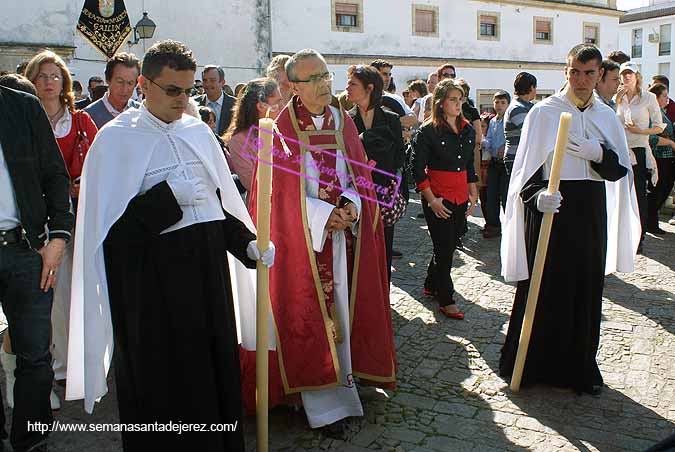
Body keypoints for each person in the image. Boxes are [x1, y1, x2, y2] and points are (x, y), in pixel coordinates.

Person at [67, 40, 274, 452]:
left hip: (208, 282)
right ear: (144, 84)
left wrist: (247, 244)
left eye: (187, 89)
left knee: (215, 381)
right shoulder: (114, 142)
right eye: (172, 90)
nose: (183, 100)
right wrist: (163, 200)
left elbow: (215, 206)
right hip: (153, 294)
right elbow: (107, 239)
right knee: (165, 395)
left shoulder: (198, 132)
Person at [242, 49, 396, 430]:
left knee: (343, 309)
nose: (324, 84)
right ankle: (320, 401)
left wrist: (353, 208)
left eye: (326, 75)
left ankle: (346, 379)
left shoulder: (343, 122)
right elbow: (274, 200)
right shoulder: (279, 131)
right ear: (292, 85)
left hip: (344, 244)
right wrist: (325, 217)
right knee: (310, 317)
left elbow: (359, 177)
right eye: (313, 79)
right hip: (306, 246)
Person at [500, 44, 640, 396]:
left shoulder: (606, 116)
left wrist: (598, 153)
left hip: (589, 211)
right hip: (550, 210)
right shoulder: (545, 113)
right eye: (575, 72)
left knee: (585, 289)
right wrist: (538, 198)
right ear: (566, 71)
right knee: (542, 288)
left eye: (589, 73)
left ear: (599, 75)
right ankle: (530, 365)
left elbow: (618, 170)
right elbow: (524, 176)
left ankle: (578, 367)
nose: (581, 80)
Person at [0, 84, 74, 452]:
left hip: (23, 249)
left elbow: (55, 176)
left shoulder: (22, 108)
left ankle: (32, 441)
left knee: (35, 356)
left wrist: (57, 239)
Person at [24, 51, 98, 409]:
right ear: (31, 80)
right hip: (32, 219)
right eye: (41, 76)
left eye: (55, 75)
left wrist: (79, 185)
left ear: (65, 82)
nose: (49, 82)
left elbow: (98, 165)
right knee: (39, 295)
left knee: (69, 291)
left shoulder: (81, 121)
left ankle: (71, 364)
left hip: (72, 217)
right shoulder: (21, 119)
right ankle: (43, 366)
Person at [412, 78, 479, 320]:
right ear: (441, 103)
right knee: (444, 248)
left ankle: (431, 283)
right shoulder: (427, 131)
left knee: (449, 243)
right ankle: (446, 297)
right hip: (438, 196)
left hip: (461, 194)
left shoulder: (468, 129)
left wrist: (473, 191)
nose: (459, 103)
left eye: (461, 99)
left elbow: (469, 164)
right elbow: (417, 170)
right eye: (453, 99)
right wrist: (432, 200)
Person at [346, 65, 406, 283]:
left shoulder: (390, 119)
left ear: (369, 87)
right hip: (354, 196)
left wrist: (388, 185)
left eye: (352, 83)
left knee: (383, 250)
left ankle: (383, 299)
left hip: (383, 194)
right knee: (356, 251)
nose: (347, 88)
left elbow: (400, 156)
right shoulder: (345, 121)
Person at [616, 61, 664, 251]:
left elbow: (660, 127)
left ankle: (639, 237)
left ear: (637, 76)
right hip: (620, 150)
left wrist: (640, 130)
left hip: (638, 150)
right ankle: (622, 237)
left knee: (638, 195)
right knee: (621, 196)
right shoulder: (616, 97)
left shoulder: (649, 98)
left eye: (630, 73)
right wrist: (615, 102)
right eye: (624, 74)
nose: (627, 77)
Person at [223, 77, 283, 194]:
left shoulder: (283, 130)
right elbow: (251, 183)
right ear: (261, 106)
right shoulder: (239, 141)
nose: (282, 106)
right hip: (262, 206)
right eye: (277, 103)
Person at [646, 83, 675, 235]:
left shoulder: (661, 112)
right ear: (655, 98)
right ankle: (650, 222)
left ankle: (651, 221)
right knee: (657, 190)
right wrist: (670, 142)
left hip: (666, 157)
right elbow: (650, 137)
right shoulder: (651, 113)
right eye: (664, 96)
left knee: (663, 189)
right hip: (658, 156)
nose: (667, 99)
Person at [84, 54, 141, 128]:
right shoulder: (89, 115)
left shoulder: (141, 113)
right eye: (120, 81)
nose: (124, 89)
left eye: (130, 83)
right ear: (108, 80)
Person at [482, 90, 510, 238]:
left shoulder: (509, 120)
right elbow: (490, 140)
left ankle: (510, 226)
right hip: (494, 163)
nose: (499, 105)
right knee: (491, 195)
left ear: (508, 104)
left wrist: (505, 147)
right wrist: (482, 141)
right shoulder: (492, 121)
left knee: (506, 196)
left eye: (502, 102)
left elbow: (513, 138)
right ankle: (493, 225)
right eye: (497, 102)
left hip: (505, 163)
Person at [504, 72, 537, 176]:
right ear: (531, 87)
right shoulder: (517, 108)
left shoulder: (528, 106)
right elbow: (531, 132)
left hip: (524, 157)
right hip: (516, 158)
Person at [370, 59, 418, 129]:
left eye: (389, 74)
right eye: (384, 74)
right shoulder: (364, 98)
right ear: (374, 75)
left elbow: (413, 118)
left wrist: (390, 122)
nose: (388, 78)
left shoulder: (396, 98)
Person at [194, 65, 237, 135]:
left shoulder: (236, 105)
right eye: (205, 80)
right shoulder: (194, 104)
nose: (207, 84)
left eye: (212, 80)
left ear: (222, 82)